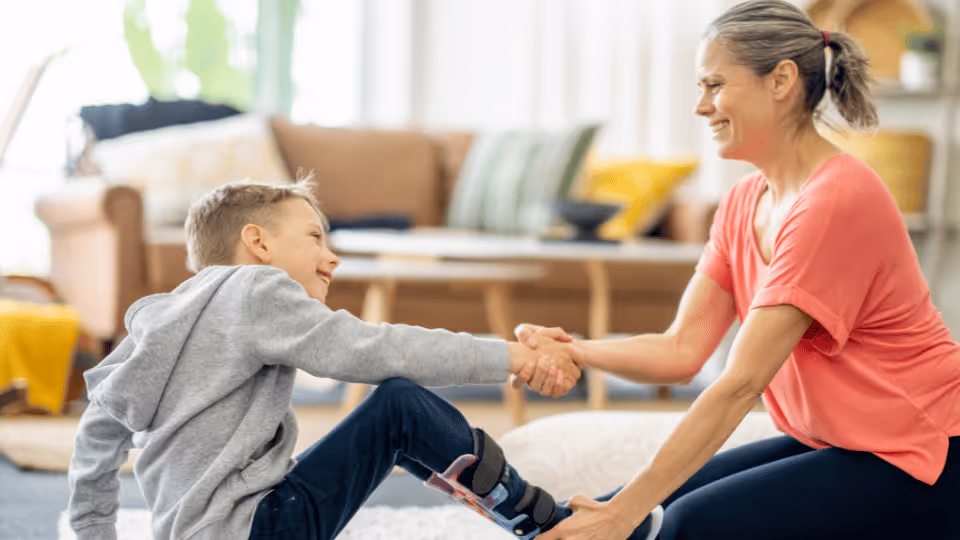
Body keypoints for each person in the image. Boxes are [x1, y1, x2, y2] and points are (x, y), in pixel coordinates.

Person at [513, 1, 960, 538]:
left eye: (714, 85)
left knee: (684, 522)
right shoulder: (745, 200)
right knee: (615, 506)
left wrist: (627, 510)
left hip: (926, 450)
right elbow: (682, 349)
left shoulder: (836, 201)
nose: (701, 107)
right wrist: (578, 349)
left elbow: (741, 382)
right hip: (848, 438)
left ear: (781, 81)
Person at [67, 177, 600, 540]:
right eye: (316, 236)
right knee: (399, 406)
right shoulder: (257, 288)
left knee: (393, 421)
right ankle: (546, 522)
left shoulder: (155, 322)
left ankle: (514, 506)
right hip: (264, 528)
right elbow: (375, 348)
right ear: (258, 244)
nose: (332, 255)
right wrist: (509, 355)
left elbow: (96, 440)